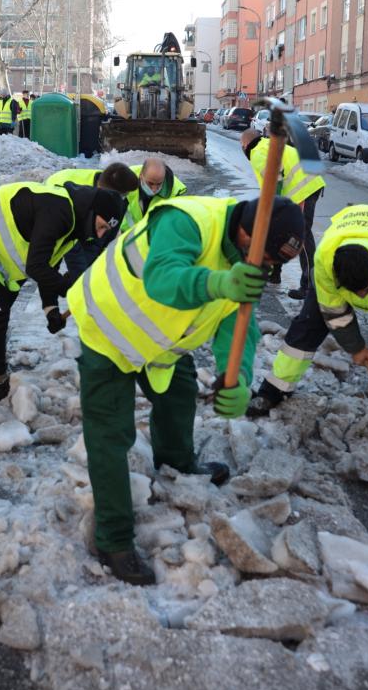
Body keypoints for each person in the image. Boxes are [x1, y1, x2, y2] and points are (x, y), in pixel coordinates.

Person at [66, 195, 305, 585]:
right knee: (111, 435)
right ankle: (113, 540)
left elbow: (237, 326)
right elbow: (162, 278)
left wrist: (238, 378)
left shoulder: (246, 263)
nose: (265, 268)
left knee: (178, 395)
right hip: (107, 331)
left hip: (158, 345)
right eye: (263, 257)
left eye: (273, 264)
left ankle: (177, 465)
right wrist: (219, 283)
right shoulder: (186, 220)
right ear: (246, 230)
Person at [0, 182, 126, 402]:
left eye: (105, 231)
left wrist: (50, 309)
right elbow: (36, 267)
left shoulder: (74, 226)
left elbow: (48, 267)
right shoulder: (59, 211)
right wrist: (69, 290)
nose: (99, 235)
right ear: (92, 212)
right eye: (100, 226)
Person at [249, 203, 368, 415]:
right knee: (307, 326)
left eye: (366, 289)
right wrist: (356, 347)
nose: (360, 297)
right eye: (352, 291)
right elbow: (336, 314)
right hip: (346, 245)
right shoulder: (325, 260)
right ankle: (273, 389)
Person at [241, 128, 325, 299]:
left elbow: (276, 176)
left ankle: (309, 287)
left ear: (245, 145)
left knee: (302, 236)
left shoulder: (257, 152)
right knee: (281, 230)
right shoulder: (268, 144)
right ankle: (275, 274)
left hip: (304, 190)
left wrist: (275, 204)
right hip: (308, 186)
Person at [45, 163, 140, 280]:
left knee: (89, 260)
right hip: (55, 202)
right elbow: (72, 245)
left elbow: (108, 231)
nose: (126, 196)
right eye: (123, 194)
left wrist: (96, 262)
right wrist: (81, 277)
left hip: (82, 206)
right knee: (59, 260)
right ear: (111, 193)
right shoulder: (81, 200)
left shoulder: (116, 195)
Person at [120, 158, 187, 232]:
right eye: (150, 183)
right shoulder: (125, 178)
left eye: (159, 184)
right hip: (127, 230)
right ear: (141, 176)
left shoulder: (175, 193)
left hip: (156, 233)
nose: (154, 189)